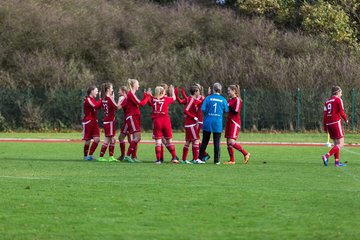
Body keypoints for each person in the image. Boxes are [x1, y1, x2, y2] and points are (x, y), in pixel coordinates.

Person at [197, 82, 229, 164]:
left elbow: (203, 109)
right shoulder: (223, 99)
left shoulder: (208, 98)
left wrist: (209, 111)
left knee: (205, 141)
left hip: (208, 121)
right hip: (217, 122)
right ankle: (217, 160)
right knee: (217, 142)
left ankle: (200, 159)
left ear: (212, 89)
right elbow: (226, 110)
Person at [123, 79, 151, 163]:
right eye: (137, 84)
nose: (139, 85)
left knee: (137, 137)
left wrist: (146, 96)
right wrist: (147, 96)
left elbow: (140, 102)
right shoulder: (131, 94)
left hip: (134, 117)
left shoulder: (132, 94)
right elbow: (141, 103)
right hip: (132, 117)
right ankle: (128, 156)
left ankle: (133, 156)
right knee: (137, 137)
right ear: (133, 85)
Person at [149, 85, 179, 164]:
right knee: (169, 140)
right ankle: (174, 158)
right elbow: (174, 98)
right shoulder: (166, 99)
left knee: (158, 142)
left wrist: (148, 94)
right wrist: (172, 91)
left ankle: (158, 160)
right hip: (165, 121)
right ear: (163, 92)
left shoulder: (153, 99)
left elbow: (150, 100)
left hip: (157, 121)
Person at [322, 85, 348, 167]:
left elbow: (325, 115)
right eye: (341, 92)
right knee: (341, 144)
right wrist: (346, 119)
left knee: (336, 144)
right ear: (337, 92)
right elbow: (341, 112)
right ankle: (326, 156)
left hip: (329, 124)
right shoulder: (338, 100)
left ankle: (337, 162)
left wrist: (325, 126)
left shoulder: (327, 102)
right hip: (336, 122)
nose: (341, 94)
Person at [223, 85, 250, 165]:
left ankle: (245, 153)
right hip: (229, 122)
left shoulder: (237, 100)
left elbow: (235, 111)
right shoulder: (229, 100)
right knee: (228, 142)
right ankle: (232, 160)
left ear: (234, 91)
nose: (228, 92)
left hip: (235, 122)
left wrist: (227, 107)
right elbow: (226, 109)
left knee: (231, 141)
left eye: (229, 90)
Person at [98, 83, 123, 162]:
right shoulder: (109, 98)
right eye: (112, 88)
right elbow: (117, 107)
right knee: (111, 139)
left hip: (106, 120)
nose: (113, 89)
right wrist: (123, 101)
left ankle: (105, 157)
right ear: (108, 89)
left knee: (109, 139)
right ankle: (107, 157)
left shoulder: (104, 98)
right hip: (110, 121)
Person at [180, 84, 203, 164]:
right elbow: (186, 111)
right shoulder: (191, 100)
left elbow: (200, 102)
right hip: (191, 124)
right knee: (196, 140)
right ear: (195, 92)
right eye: (198, 91)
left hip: (189, 124)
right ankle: (196, 159)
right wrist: (194, 117)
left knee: (188, 141)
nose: (199, 93)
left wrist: (208, 96)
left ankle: (183, 160)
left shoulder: (192, 99)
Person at [116, 86, 137, 161]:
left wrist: (114, 99)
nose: (118, 92)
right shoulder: (128, 97)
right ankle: (133, 156)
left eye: (119, 91)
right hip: (130, 119)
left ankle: (125, 156)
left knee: (123, 138)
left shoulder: (123, 98)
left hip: (128, 120)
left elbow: (118, 107)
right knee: (130, 138)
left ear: (123, 91)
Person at [82, 85, 102, 161]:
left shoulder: (93, 99)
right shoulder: (88, 99)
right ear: (91, 91)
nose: (97, 92)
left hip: (94, 121)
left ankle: (90, 155)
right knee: (88, 140)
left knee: (97, 139)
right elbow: (95, 106)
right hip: (88, 121)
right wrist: (100, 99)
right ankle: (85, 156)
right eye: (96, 91)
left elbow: (98, 106)